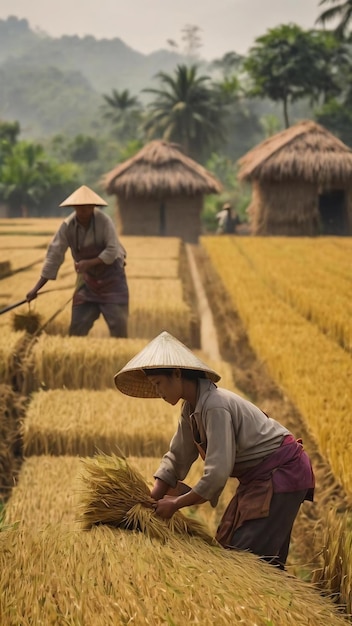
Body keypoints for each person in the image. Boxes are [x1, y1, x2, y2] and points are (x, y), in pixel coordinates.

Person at [114, 331, 315, 569]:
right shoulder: (191, 408)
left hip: (281, 474)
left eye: (158, 383)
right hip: (259, 480)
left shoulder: (214, 406)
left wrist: (176, 503)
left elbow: (217, 474)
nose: (158, 392)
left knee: (246, 561)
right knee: (236, 548)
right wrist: (149, 501)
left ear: (177, 374)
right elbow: (177, 456)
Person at [26, 185, 129, 337]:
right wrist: (36, 289)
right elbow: (54, 255)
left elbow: (112, 251)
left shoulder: (104, 222)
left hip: (112, 281)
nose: (83, 211)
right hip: (87, 283)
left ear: (93, 206)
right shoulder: (67, 226)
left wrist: (89, 263)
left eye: (87, 207)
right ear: (73, 207)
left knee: (119, 328)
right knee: (77, 329)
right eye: (79, 208)